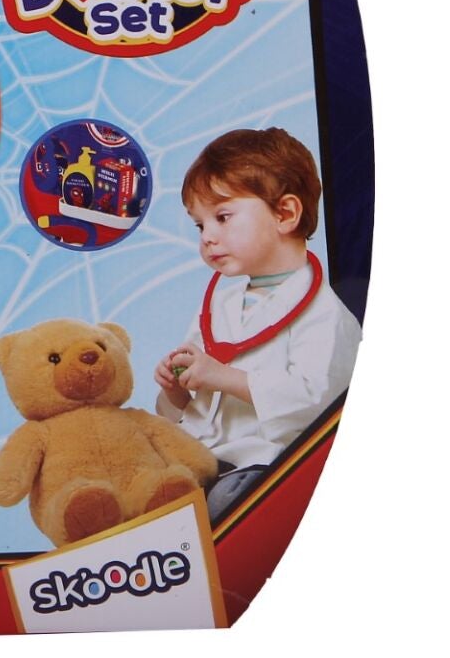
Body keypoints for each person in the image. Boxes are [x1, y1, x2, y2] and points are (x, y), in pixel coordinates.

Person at [154, 128, 360, 520]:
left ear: (284, 214)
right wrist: (175, 392)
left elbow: (318, 404)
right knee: (143, 485)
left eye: (222, 217)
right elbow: (190, 409)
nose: (207, 237)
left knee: (228, 502)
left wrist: (223, 377)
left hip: (266, 467)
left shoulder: (326, 314)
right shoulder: (218, 306)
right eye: (200, 225)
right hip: (199, 459)